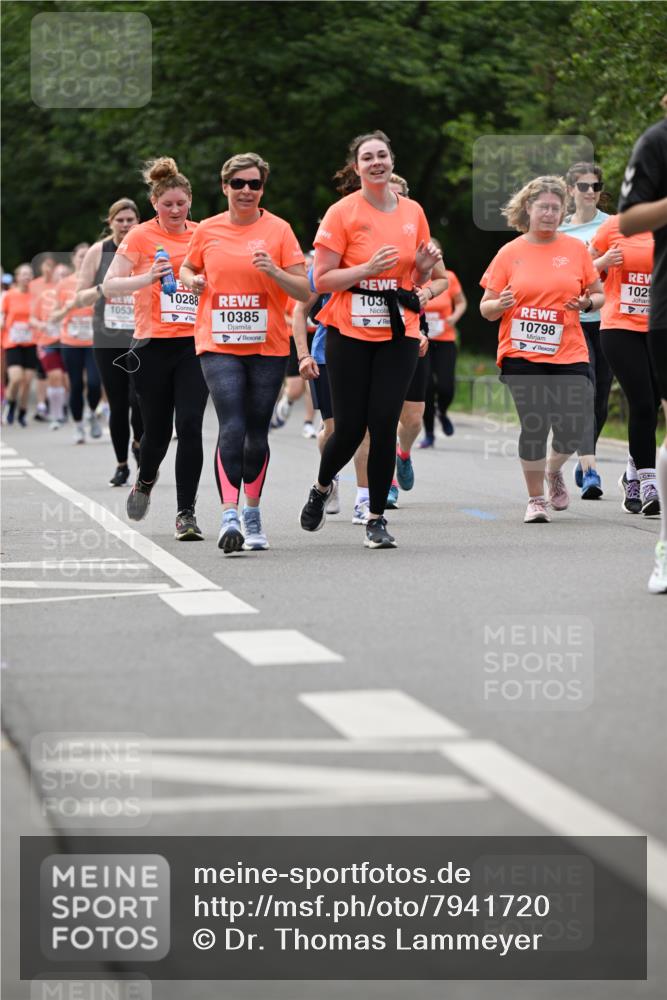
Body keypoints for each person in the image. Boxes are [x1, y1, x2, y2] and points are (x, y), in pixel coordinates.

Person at [298, 130, 442, 549]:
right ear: (357, 166)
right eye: (368, 157)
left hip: (398, 330)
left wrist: (422, 269)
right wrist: (365, 270)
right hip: (349, 331)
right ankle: (322, 486)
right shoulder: (341, 212)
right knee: (348, 429)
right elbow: (322, 279)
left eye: (382, 155)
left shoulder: (413, 211)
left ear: (392, 160)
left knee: (383, 425)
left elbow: (418, 278)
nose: (376, 162)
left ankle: (376, 517)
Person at [180, 151, 308, 553]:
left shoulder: (280, 230)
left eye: (254, 184)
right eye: (238, 183)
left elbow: (304, 290)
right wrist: (192, 281)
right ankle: (229, 514)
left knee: (256, 431)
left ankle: (252, 511)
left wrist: (274, 271)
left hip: (268, 344)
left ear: (262, 188)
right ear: (225, 187)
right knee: (231, 423)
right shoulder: (208, 229)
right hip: (217, 342)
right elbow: (187, 267)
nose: (246, 190)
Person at [480, 175, 605, 523]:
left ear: (563, 211)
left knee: (575, 424)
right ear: (528, 208)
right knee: (535, 424)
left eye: (556, 208)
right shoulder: (510, 252)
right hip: (521, 352)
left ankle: (552, 469)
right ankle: (536, 499)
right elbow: (486, 308)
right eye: (543, 207)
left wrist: (586, 303)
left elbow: (599, 295)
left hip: (569, 349)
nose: (549, 214)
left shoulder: (576, 250)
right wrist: (501, 304)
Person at [103, 157, 208, 540]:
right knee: (157, 433)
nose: (175, 211)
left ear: (190, 201)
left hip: (194, 344)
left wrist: (202, 283)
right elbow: (110, 285)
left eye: (181, 204)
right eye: (168, 205)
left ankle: (186, 513)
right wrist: (147, 277)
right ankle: (145, 480)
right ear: (154, 203)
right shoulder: (140, 236)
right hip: (151, 345)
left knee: (191, 426)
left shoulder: (202, 233)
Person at [617, 95, 667, 592]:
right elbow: (629, 220)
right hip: (661, 311)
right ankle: (665, 549)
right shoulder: (658, 141)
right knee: (655, 411)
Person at [73, 198, 144, 486]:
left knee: (139, 399)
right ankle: (121, 464)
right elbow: (80, 296)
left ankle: (139, 444)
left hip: (141, 335)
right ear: (110, 222)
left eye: (130, 220)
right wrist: (103, 288)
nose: (125, 225)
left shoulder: (146, 246)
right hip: (107, 336)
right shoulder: (98, 252)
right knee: (118, 403)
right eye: (120, 220)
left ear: (138, 221)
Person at [591, 216, 657, 516]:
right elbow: (582, 271)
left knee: (652, 405)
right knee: (642, 403)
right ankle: (649, 483)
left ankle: (632, 471)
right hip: (620, 326)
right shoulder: (613, 227)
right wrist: (603, 261)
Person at [559, 162, 612, 498]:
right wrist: (600, 262)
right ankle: (590, 470)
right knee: (585, 392)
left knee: (601, 399)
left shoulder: (613, 225)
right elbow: (564, 275)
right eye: (583, 186)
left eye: (595, 186)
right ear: (570, 190)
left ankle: (584, 456)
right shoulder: (561, 231)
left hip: (608, 321)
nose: (590, 192)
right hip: (573, 324)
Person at [50, 243, 103, 444]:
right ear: (73, 259)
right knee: (76, 384)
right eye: (81, 255)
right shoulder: (63, 285)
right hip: (70, 341)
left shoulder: (99, 281)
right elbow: (54, 316)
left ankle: (92, 413)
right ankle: (79, 425)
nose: (84, 259)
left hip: (94, 341)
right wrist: (67, 308)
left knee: (94, 383)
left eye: (88, 255)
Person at [420, 255, 467, 448]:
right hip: (421, 340)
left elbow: (461, 302)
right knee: (427, 388)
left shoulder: (449, 277)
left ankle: (442, 411)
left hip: (445, 340)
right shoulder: (414, 276)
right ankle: (429, 434)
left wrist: (454, 317)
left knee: (446, 387)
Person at [33, 262, 71, 430]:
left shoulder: (73, 294)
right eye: (59, 274)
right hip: (48, 341)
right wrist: (40, 325)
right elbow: (32, 318)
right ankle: (57, 415)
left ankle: (64, 406)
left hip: (69, 341)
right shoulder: (44, 296)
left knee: (67, 380)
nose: (62, 278)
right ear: (53, 277)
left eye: (65, 274)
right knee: (55, 376)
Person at [1, 263, 37, 425]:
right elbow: (2, 315)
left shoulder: (36, 296)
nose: (26, 277)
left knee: (27, 381)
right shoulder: (9, 295)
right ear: (17, 277)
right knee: (15, 378)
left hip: (30, 342)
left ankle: (22, 412)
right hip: (13, 342)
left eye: (29, 274)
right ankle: (10, 405)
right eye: (23, 274)